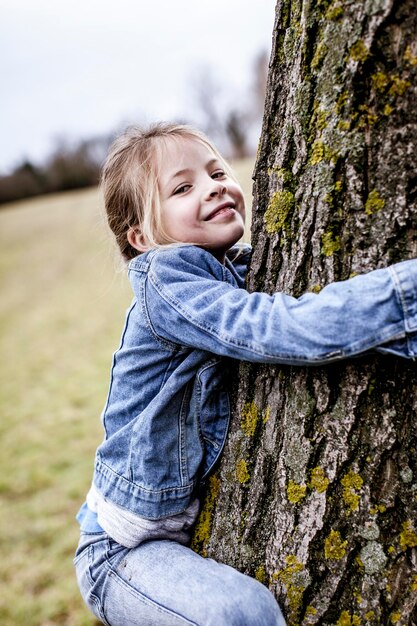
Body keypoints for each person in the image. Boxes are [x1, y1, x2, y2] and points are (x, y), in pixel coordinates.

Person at [74, 123, 417, 626]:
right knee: (241, 613)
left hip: (168, 534)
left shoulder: (233, 269)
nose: (214, 186)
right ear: (143, 237)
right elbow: (282, 327)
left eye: (216, 172)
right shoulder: (168, 283)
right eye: (183, 187)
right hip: (121, 555)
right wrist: (405, 294)